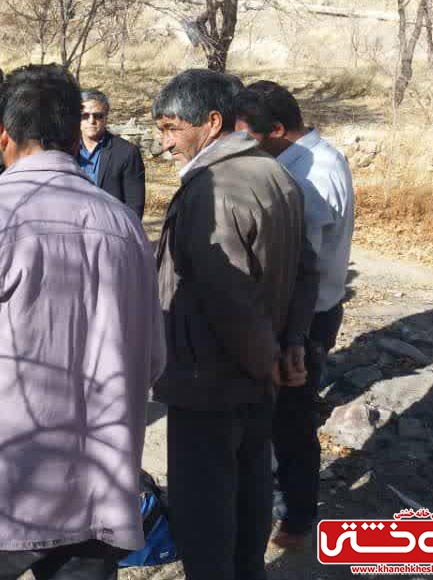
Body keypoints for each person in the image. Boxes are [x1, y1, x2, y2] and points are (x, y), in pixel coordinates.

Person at [0, 64, 166, 580]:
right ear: (75, 136)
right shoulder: (124, 226)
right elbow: (152, 360)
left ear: (1, 132)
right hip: (95, 486)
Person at [151, 69, 305, 580]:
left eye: (172, 128)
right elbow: (309, 269)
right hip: (258, 374)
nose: (165, 142)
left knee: (205, 511)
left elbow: (230, 301)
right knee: (251, 488)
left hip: (210, 383)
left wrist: (268, 360)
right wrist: (291, 348)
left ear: (212, 122)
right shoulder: (274, 173)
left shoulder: (211, 190)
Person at [234, 80, 355, 550]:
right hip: (307, 313)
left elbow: (300, 264)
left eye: (252, 136)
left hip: (306, 317)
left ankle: (299, 518)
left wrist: (292, 337)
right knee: (284, 415)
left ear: (279, 129)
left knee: (293, 419)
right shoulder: (313, 157)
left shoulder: (310, 173)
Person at [77, 89, 146, 219]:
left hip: (111, 230)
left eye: (98, 115)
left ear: (106, 117)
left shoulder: (127, 152)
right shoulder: (65, 150)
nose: (91, 121)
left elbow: (134, 206)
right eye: (84, 115)